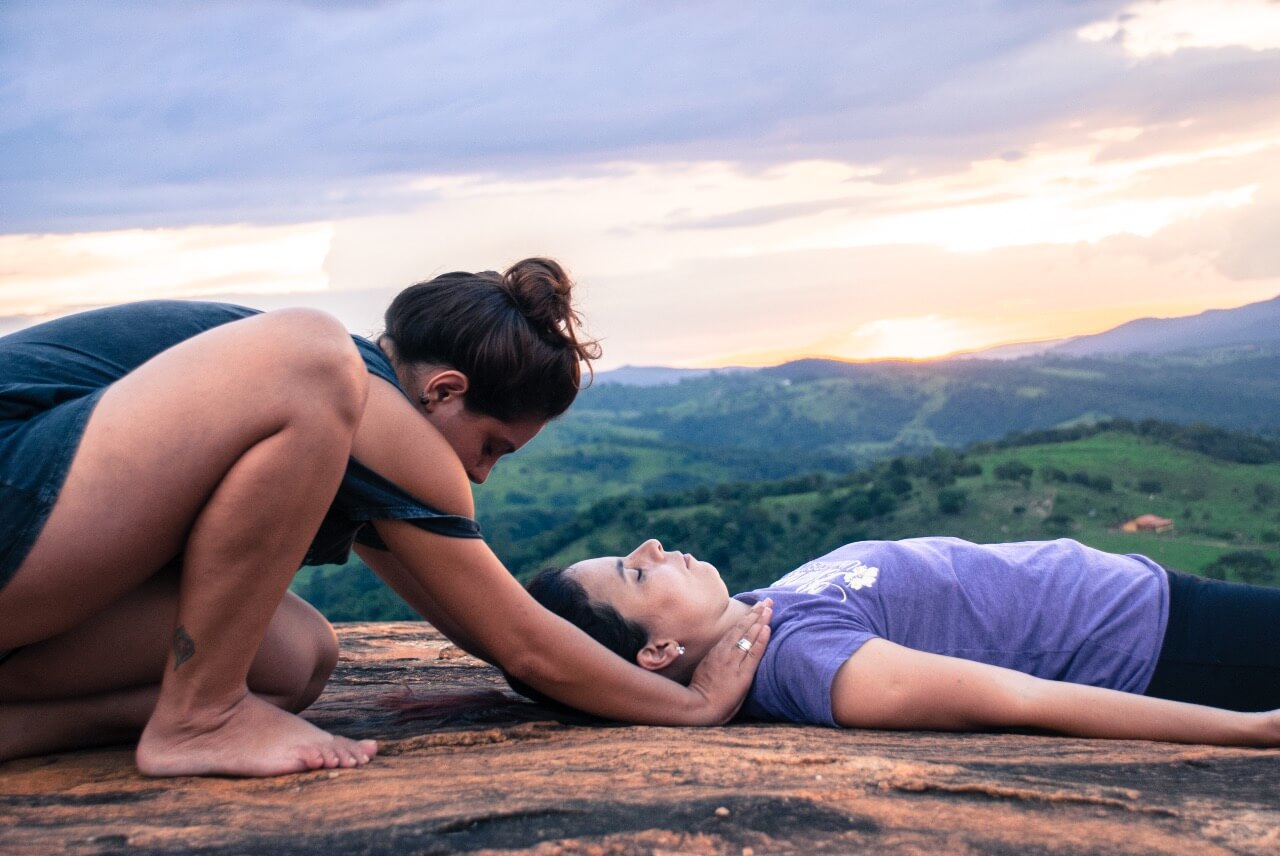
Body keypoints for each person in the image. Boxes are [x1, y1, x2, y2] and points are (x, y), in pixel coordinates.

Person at [0, 259, 771, 778]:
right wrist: (691, 706)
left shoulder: (354, 441)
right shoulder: (352, 387)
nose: (477, 474)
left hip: (37, 572)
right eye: (492, 446)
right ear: (442, 390)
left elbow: (478, 623)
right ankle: (199, 716)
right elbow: (522, 644)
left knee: (294, 660)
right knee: (308, 349)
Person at [526, 536, 1280, 745]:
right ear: (655, 652)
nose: (654, 546)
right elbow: (1019, 700)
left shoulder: (760, 614)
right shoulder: (800, 661)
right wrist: (1251, 729)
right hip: (1161, 641)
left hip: (1142, 594)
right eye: (634, 573)